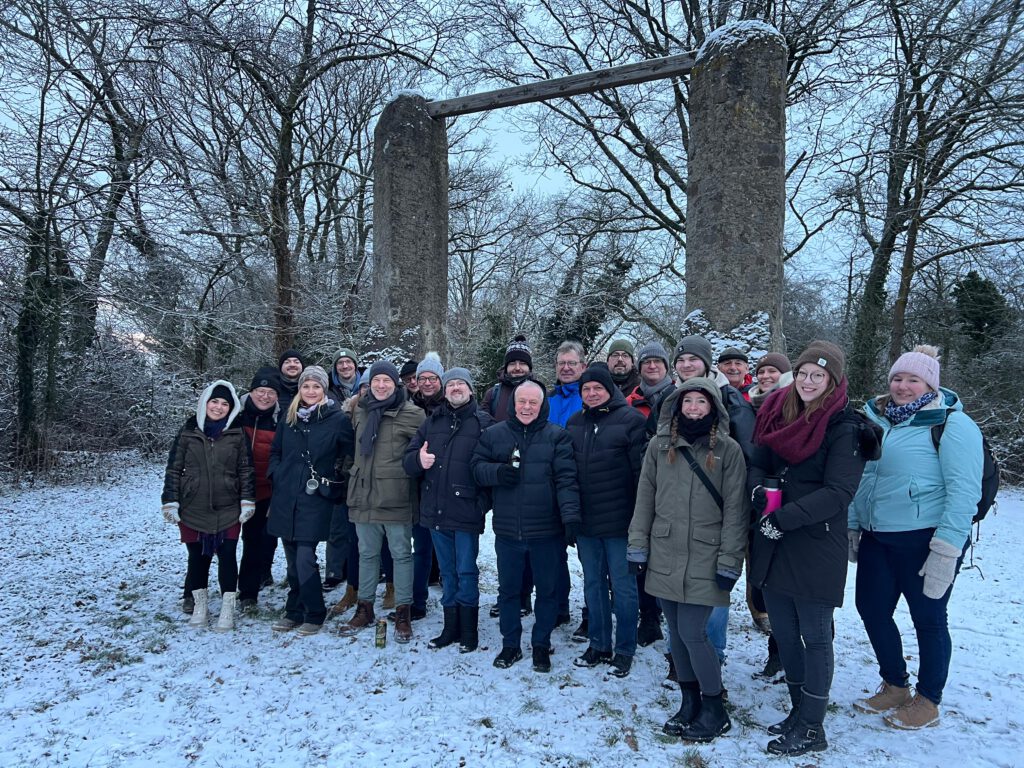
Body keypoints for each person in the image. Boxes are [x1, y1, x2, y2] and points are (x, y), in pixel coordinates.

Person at [748, 341, 875, 756]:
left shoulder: (847, 428)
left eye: (818, 376)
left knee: (814, 635)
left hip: (815, 542)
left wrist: (782, 518)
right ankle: (799, 709)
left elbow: (839, 492)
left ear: (833, 381)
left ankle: (812, 727)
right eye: (803, 373)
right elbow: (759, 462)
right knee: (784, 632)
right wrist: (758, 492)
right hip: (775, 538)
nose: (807, 381)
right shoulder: (780, 414)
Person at [849, 345, 982, 730]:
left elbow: (963, 492)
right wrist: (855, 523)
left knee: (928, 618)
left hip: (925, 539)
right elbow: (865, 479)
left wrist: (947, 547)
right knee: (871, 610)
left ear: (930, 384)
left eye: (912, 379)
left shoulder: (952, 425)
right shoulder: (876, 419)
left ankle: (928, 699)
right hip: (877, 536)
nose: (902, 386)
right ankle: (894, 685)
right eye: (897, 378)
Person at [628, 377, 747, 742]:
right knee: (676, 636)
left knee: (694, 633)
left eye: (701, 402)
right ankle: (689, 701)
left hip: (706, 555)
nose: (694, 408)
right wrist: (637, 544)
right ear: (676, 406)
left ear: (714, 407)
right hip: (664, 551)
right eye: (688, 402)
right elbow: (644, 498)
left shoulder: (728, 451)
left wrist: (730, 561)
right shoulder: (659, 447)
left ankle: (715, 707)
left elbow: (736, 511)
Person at [473, 380, 581, 673]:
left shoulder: (557, 437)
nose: (527, 407)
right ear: (513, 403)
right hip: (508, 531)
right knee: (508, 591)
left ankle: (541, 644)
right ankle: (511, 644)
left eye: (533, 402)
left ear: (542, 405)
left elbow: (567, 480)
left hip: (547, 532)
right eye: (522, 401)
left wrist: (570, 518)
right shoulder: (495, 435)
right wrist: (496, 472)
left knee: (547, 592)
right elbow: (476, 467)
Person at [673, 335, 757, 665]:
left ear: (707, 364)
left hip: (715, 505)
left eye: (693, 359)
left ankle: (713, 653)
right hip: (678, 504)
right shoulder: (673, 396)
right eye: (681, 360)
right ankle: (679, 652)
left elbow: (747, 453)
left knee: (713, 586)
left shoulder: (729, 397)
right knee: (678, 580)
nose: (686, 365)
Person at [403, 367, 493, 652]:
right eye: (451, 383)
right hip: (436, 511)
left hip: (466, 513)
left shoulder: (484, 424)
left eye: (460, 384)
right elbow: (408, 461)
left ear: (470, 390)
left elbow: (495, 472)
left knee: (466, 571)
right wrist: (418, 460)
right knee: (448, 573)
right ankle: (449, 628)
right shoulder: (432, 421)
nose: (455, 388)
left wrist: (481, 504)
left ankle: (468, 631)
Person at [566, 363, 647, 677]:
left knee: (624, 588)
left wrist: (638, 519)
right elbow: (567, 473)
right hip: (587, 522)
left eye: (597, 388)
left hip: (620, 522)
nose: (591, 393)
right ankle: (599, 643)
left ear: (609, 389)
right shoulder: (575, 423)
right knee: (593, 584)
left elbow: (641, 474)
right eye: (586, 389)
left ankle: (625, 647)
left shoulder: (629, 421)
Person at [340, 361, 425, 643]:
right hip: (363, 494)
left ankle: (403, 610)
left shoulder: (412, 414)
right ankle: (364, 607)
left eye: (386, 381)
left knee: (400, 554)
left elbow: (422, 451)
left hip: (395, 496)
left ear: (395, 384)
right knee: (367, 554)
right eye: (376, 381)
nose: (380, 386)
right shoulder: (360, 411)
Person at [266, 366, 355, 636]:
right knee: (292, 558)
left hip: (315, 497)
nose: (311, 391)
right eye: (306, 386)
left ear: (324, 389)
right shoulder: (289, 418)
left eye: (316, 386)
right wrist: (277, 474)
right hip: (286, 496)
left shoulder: (336, 418)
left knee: (305, 556)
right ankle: (294, 609)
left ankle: (314, 612)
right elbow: (276, 451)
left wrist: (335, 478)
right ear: (300, 389)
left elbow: (349, 455)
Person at [162, 380, 255, 632]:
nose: (219, 407)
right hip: (194, 505)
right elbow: (173, 468)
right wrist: (170, 500)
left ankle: (227, 609)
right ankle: (200, 605)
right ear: (205, 402)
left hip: (228, 506)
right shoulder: (188, 430)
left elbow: (246, 469)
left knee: (227, 557)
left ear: (232, 407)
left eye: (225, 403)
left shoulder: (237, 433)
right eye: (214, 401)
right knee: (197, 558)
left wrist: (247, 499)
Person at [745, 351, 793, 678]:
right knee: (765, 584)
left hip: (792, 510)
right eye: (761, 371)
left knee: (794, 586)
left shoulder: (794, 406)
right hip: (756, 504)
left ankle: (795, 654)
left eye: (773, 371)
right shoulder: (747, 406)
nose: (765, 376)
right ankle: (777, 652)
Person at [236, 366, 281, 613]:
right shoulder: (236, 415)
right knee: (227, 543)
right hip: (233, 491)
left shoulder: (279, 420)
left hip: (264, 492)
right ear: (251, 392)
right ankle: (225, 587)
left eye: (270, 392)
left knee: (255, 542)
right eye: (260, 391)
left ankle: (248, 594)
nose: (265, 396)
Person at [482, 334, 534, 422]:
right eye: (512, 363)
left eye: (522, 363)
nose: (517, 368)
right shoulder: (493, 394)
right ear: (506, 367)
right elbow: (483, 426)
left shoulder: (542, 393)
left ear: (529, 367)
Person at [548, 340, 585, 428]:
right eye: (561, 363)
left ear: (583, 367)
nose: (566, 368)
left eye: (571, 363)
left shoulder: (590, 399)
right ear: (556, 366)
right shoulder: (546, 399)